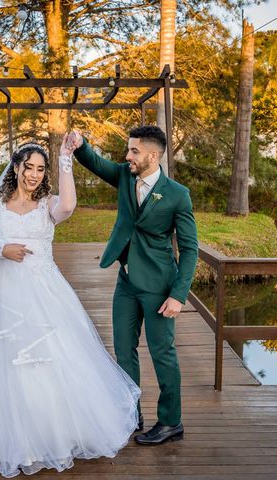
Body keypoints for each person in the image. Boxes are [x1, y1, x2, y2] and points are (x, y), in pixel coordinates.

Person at [0, 141, 140, 479]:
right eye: (29, 167)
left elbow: (70, 206)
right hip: (2, 298)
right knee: (2, 367)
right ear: (16, 168)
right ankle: (0, 440)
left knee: (53, 362)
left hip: (46, 294)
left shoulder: (49, 204)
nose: (33, 174)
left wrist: (64, 159)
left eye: (40, 169)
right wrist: (1, 249)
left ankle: (53, 435)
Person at [64, 126, 198, 445]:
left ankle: (170, 422)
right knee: (124, 350)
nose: (127, 157)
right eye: (128, 150)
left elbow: (191, 249)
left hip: (158, 286)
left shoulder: (178, 194)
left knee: (162, 353)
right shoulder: (125, 175)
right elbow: (97, 163)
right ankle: (130, 413)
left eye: (134, 151)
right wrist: (81, 145)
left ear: (153, 155)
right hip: (125, 281)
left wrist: (178, 296)